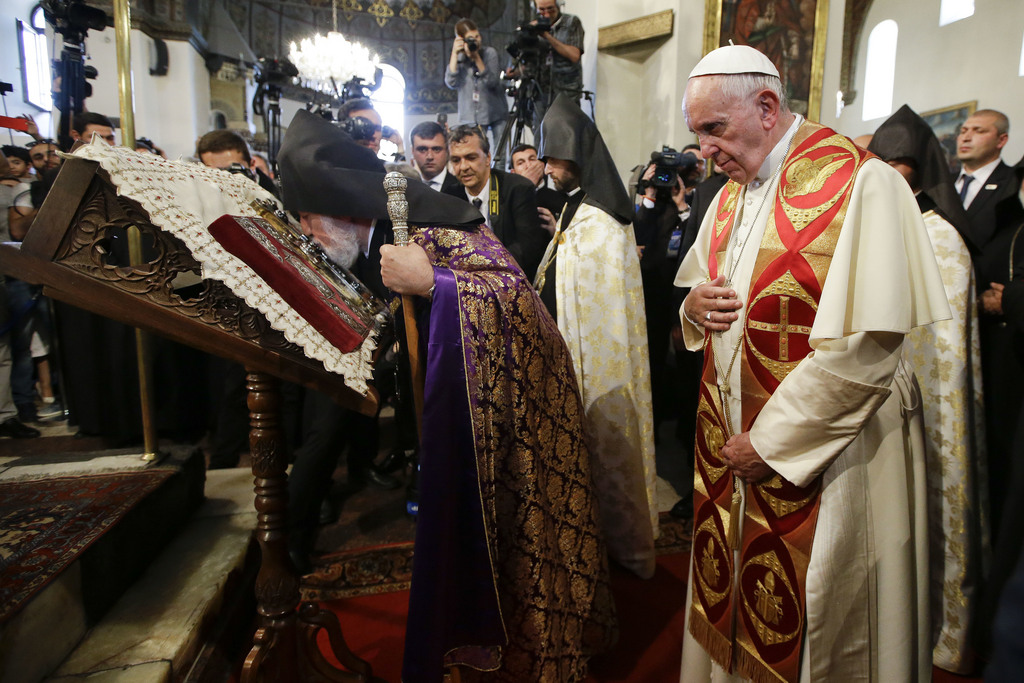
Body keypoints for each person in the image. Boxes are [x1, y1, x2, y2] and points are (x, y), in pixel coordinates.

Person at [277, 109, 617, 682]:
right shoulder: (385, 229)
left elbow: (516, 300)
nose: (309, 235)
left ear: (341, 211)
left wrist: (433, 282)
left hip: (511, 416)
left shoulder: (431, 224)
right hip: (459, 405)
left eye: (309, 221)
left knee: (516, 546)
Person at [676, 45, 949, 682]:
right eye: (697, 134)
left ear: (767, 107)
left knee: (824, 606)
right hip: (735, 436)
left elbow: (869, 349)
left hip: (832, 451)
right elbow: (702, 293)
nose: (704, 151)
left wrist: (771, 443)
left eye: (714, 129)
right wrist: (692, 307)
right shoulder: (728, 194)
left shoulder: (861, 184)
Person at [868, 104, 988, 674]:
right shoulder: (880, 225)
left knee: (940, 493)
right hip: (877, 394)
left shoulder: (941, 237)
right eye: (881, 163)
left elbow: (945, 354)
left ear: (920, 170)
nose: (891, 173)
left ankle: (948, 626)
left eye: (901, 164)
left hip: (931, 403)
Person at [534, 94, 658, 579]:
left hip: (601, 372)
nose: (546, 167)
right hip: (569, 356)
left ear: (580, 153)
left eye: (553, 156)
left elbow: (603, 313)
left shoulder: (602, 222)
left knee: (608, 454)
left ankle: (621, 551)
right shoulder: (578, 209)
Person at [954, 109, 1023, 539]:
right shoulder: (944, 187)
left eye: (978, 131)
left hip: (995, 325)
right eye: (963, 130)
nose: (966, 137)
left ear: (1001, 140)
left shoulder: (1012, 190)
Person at [443, 125, 548, 278]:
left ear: (488, 158)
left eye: (471, 158)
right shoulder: (450, 195)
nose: (463, 167)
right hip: (467, 284)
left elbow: (528, 248)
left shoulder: (518, 188)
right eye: (456, 160)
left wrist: (482, 269)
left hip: (511, 280)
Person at [444, 19, 509, 162]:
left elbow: (492, 82)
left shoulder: (489, 53)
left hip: (495, 110)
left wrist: (476, 58)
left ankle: (499, 182)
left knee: (500, 155)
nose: (476, 41)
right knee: (475, 153)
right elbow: (451, 82)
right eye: (471, 38)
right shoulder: (459, 58)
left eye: (477, 36)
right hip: (471, 115)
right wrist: (455, 54)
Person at [510, 142, 567, 223]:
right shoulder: (508, 200)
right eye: (521, 163)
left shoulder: (561, 198)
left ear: (542, 165)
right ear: (513, 172)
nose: (528, 165)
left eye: (532, 159)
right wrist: (527, 186)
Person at [408, 121, 459, 193]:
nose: (430, 156)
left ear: (447, 150)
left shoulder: (462, 189)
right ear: (412, 151)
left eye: (436, 149)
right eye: (422, 149)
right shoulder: (406, 189)